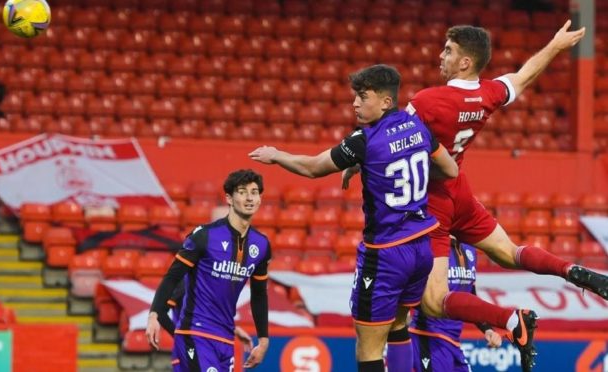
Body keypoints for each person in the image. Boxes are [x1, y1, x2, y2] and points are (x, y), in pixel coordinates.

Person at [342, 20, 607, 372]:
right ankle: (574, 272)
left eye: (448, 50)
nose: (441, 55)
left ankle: (512, 319)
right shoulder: (487, 94)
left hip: (432, 203)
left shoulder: (427, 101)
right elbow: (524, 76)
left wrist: (356, 161)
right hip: (462, 194)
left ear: (465, 61)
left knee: (434, 303)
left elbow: (393, 139)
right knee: (511, 253)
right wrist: (556, 45)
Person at [249, 64, 459, 372]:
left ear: (386, 101)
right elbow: (450, 169)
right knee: (399, 325)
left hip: (387, 253)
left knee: (369, 345)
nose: (355, 104)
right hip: (421, 247)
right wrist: (374, 166)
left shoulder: (364, 140)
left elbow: (313, 167)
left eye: (363, 97)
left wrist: (277, 154)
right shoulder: (417, 126)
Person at [146, 169, 271, 371]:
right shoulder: (204, 236)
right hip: (196, 333)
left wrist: (263, 340)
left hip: (226, 338)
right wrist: (153, 315)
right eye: (242, 191)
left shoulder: (261, 245)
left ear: (260, 199)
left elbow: (259, 295)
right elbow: (172, 276)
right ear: (229, 198)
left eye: (254, 192)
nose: (249, 198)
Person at [408, 237, 502, 372]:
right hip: (429, 338)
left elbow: (470, 296)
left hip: (453, 341)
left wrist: (487, 329)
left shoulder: (469, 249)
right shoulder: (431, 247)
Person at [155, 281, 256, 367]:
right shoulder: (186, 280)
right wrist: (182, 338)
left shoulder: (206, 282)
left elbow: (208, 316)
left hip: (212, 347)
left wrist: (234, 329)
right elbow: (160, 312)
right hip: (189, 352)